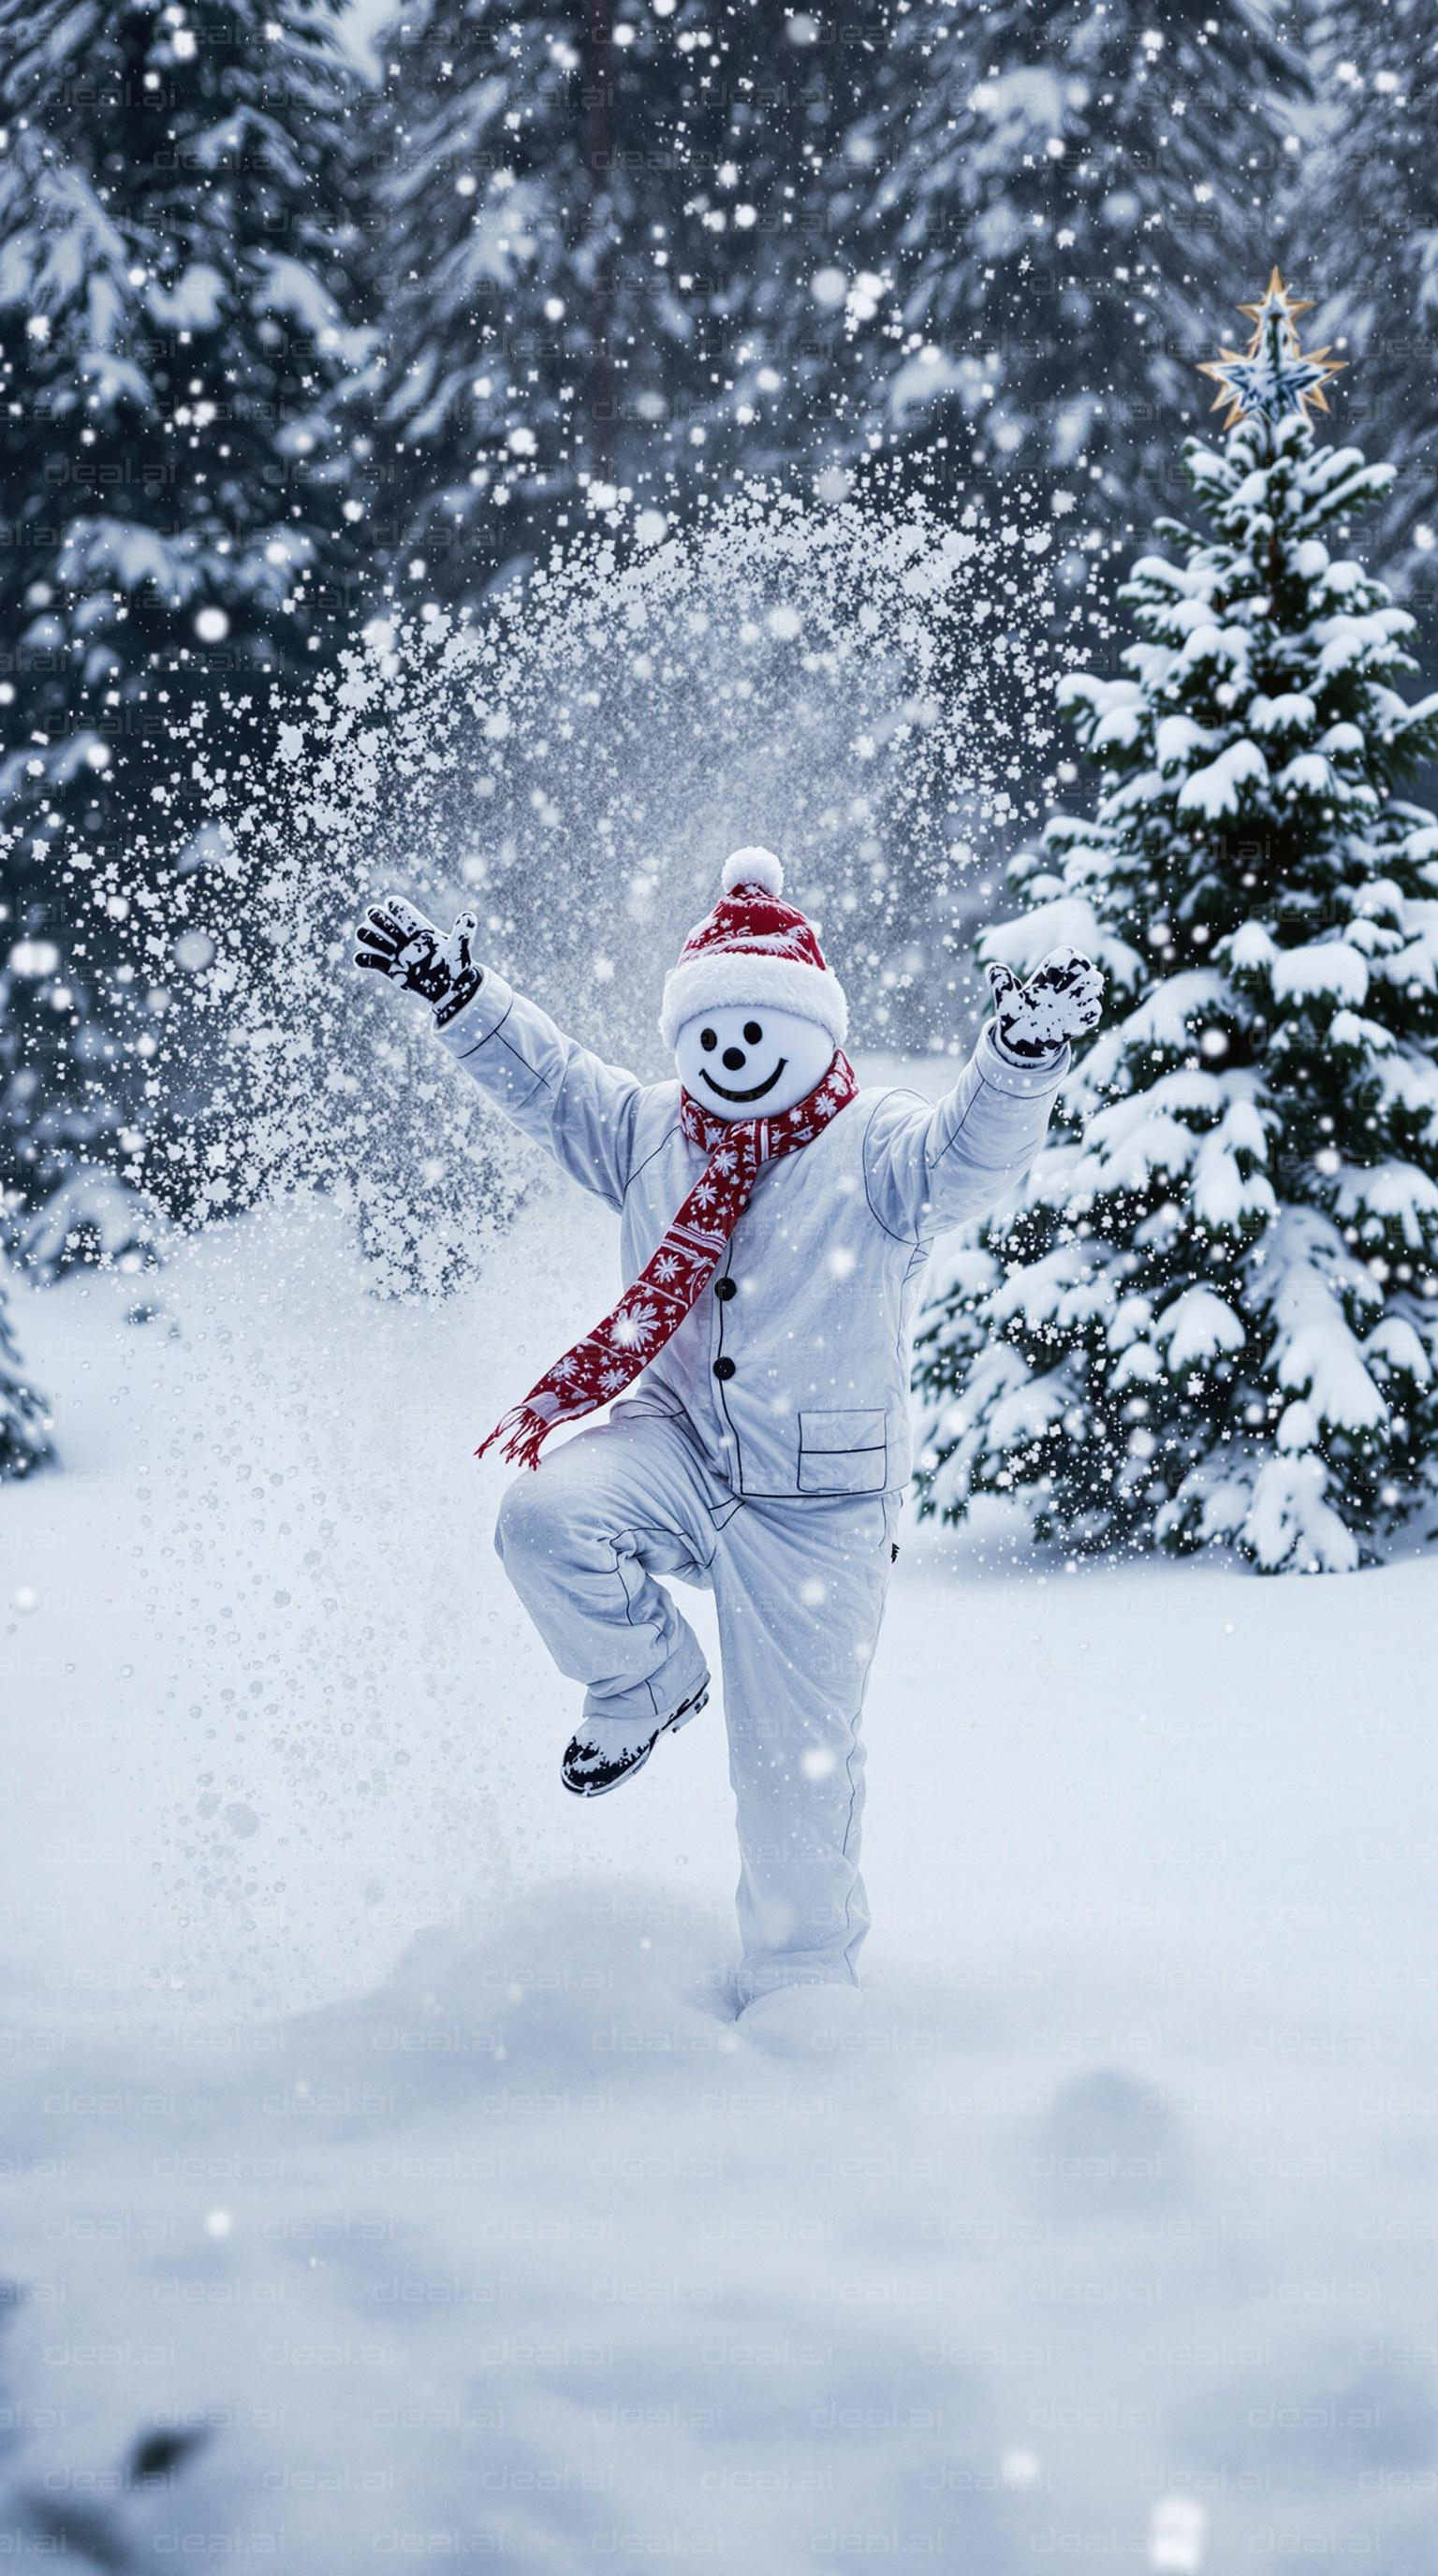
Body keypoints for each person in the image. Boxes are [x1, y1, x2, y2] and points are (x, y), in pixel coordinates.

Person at [356, 850, 1102, 2050]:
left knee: (795, 1771)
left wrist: (1016, 1059)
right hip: (675, 1452)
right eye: (714, 1029)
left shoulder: (875, 1143)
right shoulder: (650, 1130)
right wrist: (459, 994)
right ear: (687, 1035)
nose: (736, 1051)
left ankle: (804, 1989)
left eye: (761, 1028)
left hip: (817, 1500)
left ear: (810, 1033)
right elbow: (551, 1086)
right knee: (544, 1515)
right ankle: (642, 1675)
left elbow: (974, 1158)